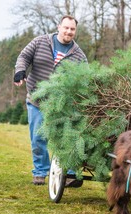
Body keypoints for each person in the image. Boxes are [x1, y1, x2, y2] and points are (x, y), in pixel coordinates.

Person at [14, 15, 88, 186]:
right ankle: (40, 171)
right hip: (37, 101)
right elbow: (24, 57)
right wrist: (20, 71)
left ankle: (69, 173)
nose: (69, 31)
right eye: (66, 28)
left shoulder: (78, 55)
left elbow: (85, 79)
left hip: (63, 105)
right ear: (59, 27)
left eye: (72, 29)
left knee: (66, 138)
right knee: (38, 137)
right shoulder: (40, 42)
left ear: (75, 31)